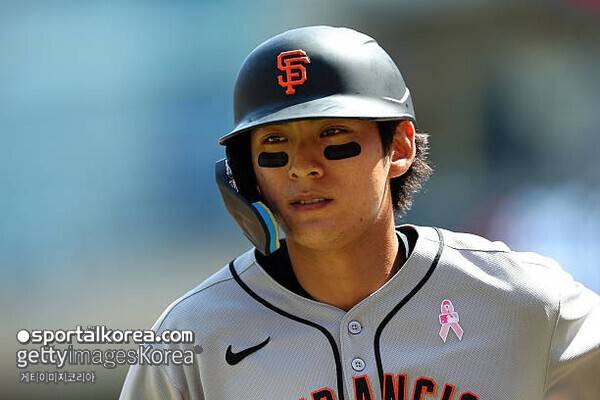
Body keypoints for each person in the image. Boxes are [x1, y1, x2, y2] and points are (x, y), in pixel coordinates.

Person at [120, 26, 600, 400]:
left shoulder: (522, 299)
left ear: (400, 148)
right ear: (246, 174)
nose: (302, 167)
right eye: (275, 145)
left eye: (332, 136)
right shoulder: (195, 336)